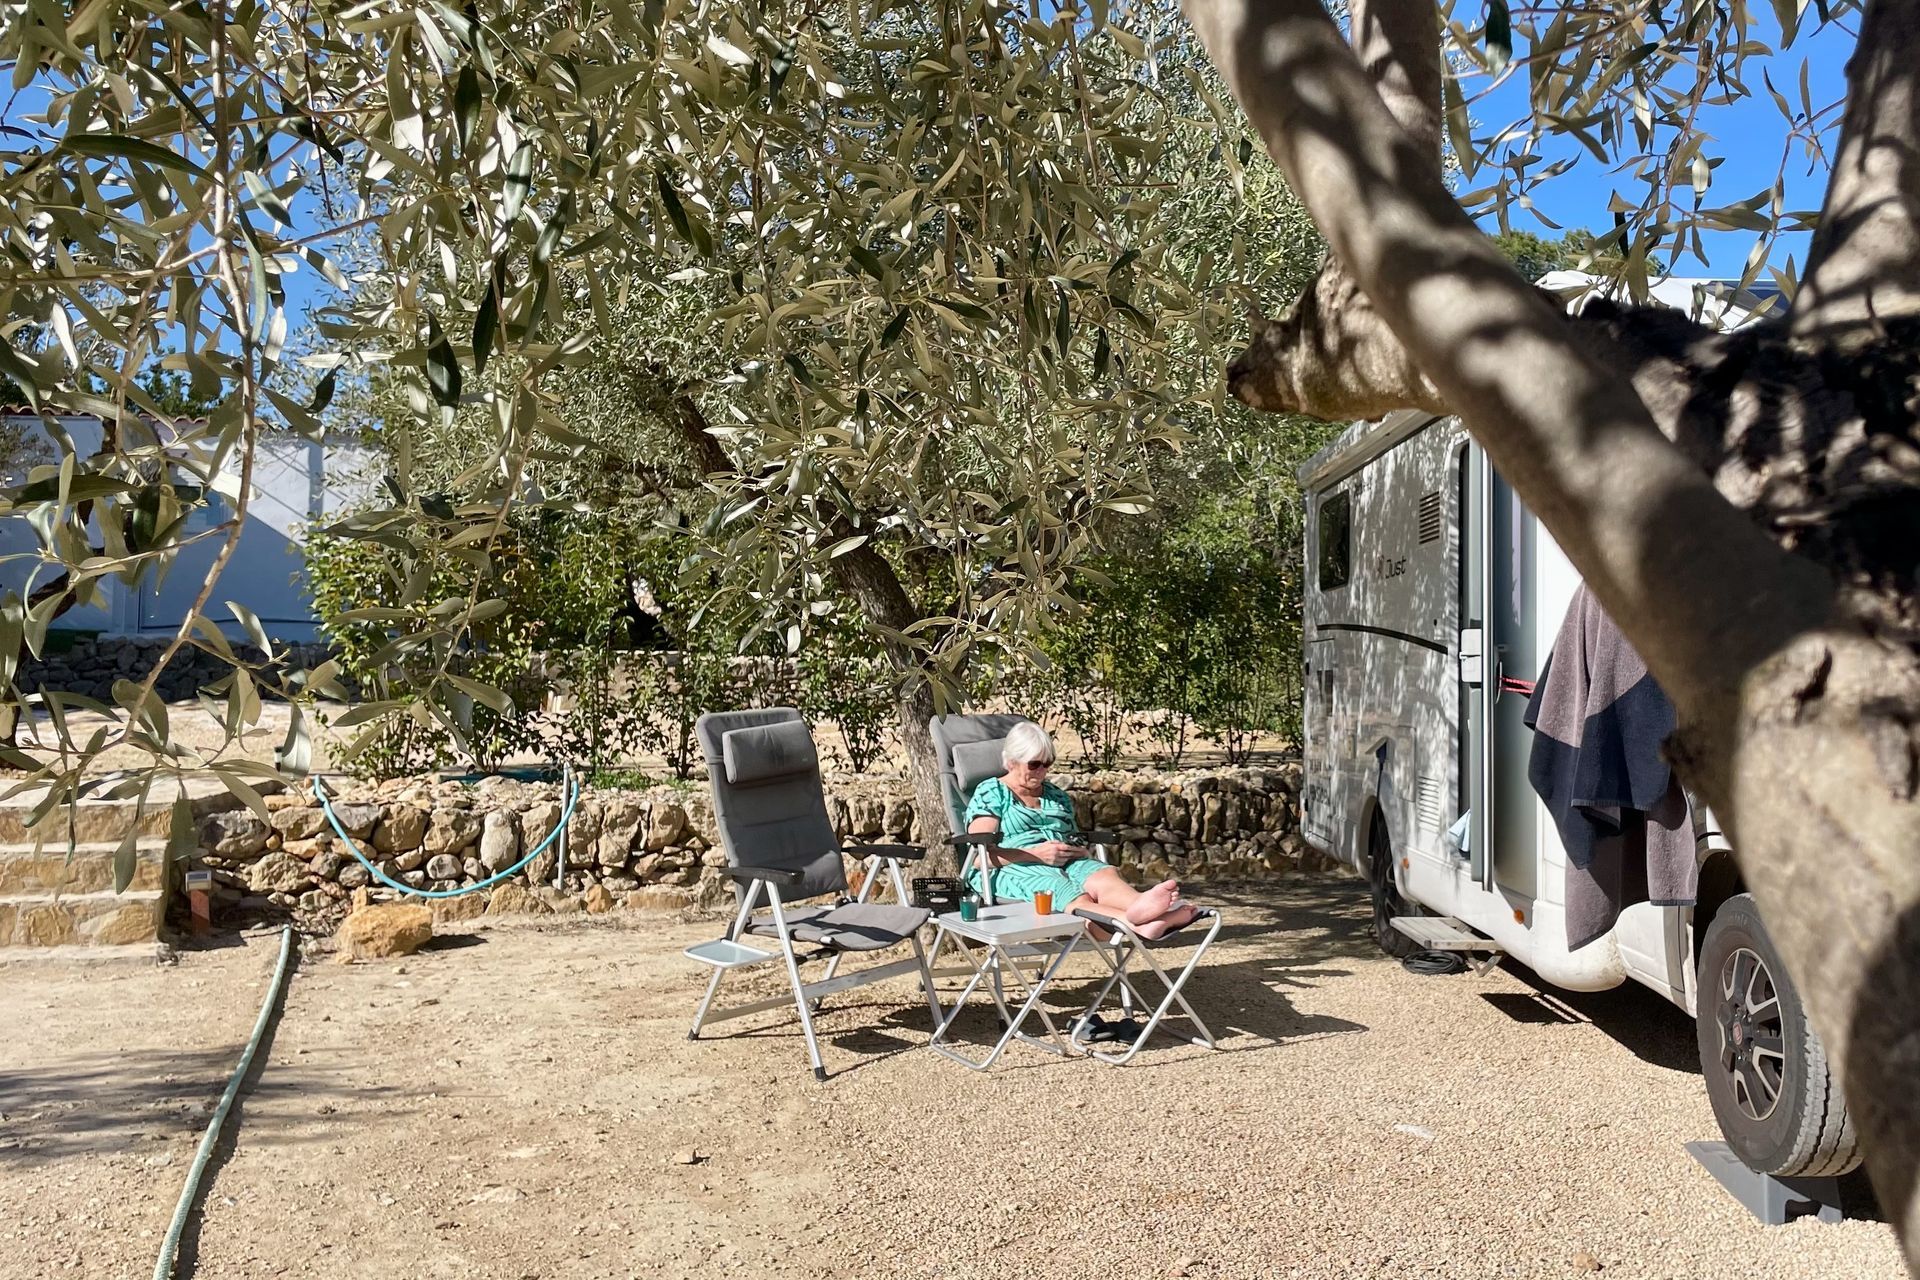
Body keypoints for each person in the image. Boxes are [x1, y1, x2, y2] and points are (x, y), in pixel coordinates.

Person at [963, 722, 1198, 939]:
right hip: (1012, 868)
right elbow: (979, 855)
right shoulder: (992, 791)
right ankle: (1136, 923)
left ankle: (1141, 907)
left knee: (1102, 873)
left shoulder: (1055, 795)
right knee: (1061, 886)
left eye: (1047, 764)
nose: (1042, 771)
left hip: (1063, 862)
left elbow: (1072, 835)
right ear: (1012, 760)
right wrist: (1035, 854)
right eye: (1034, 764)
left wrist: (1079, 851)